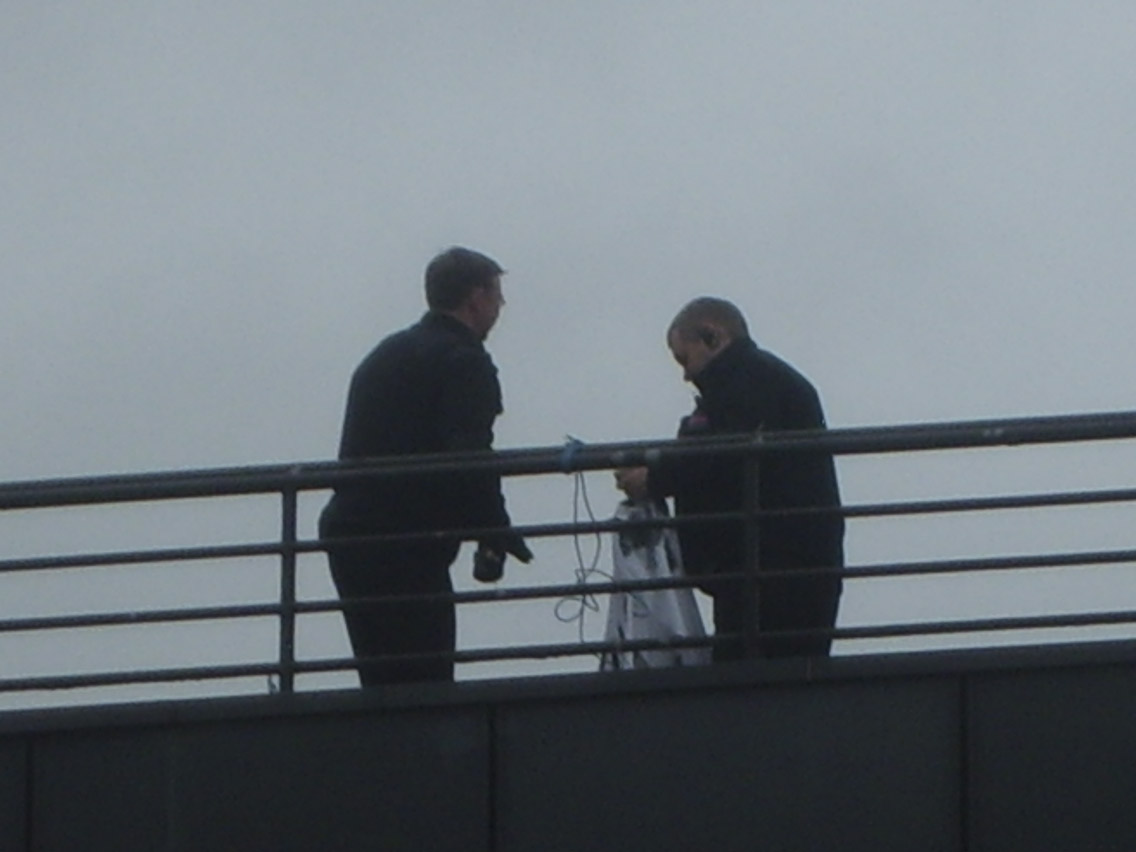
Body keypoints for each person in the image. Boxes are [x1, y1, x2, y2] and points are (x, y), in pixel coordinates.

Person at [319, 247, 532, 686]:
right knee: (426, 681)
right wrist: (495, 528)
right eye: (497, 296)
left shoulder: (387, 354)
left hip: (352, 531)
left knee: (382, 680)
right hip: (408, 540)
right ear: (476, 297)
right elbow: (471, 454)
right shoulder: (465, 361)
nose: (500, 308)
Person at [616, 297, 843, 661]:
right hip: (773, 569)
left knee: (755, 679)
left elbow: (717, 455)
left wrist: (655, 478)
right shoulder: (760, 381)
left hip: (770, 574)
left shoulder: (747, 384)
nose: (686, 374)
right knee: (776, 681)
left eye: (684, 358)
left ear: (712, 337)